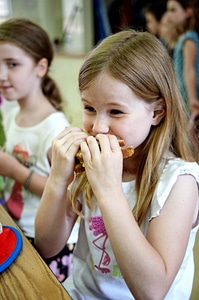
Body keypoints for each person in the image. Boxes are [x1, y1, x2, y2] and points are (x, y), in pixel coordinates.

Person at [35, 29, 199, 299]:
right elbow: (46, 246)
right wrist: (57, 179)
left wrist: (109, 190)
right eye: (89, 108)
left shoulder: (179, 182)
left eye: (116, 111)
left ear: (156, 112)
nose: (98, 128)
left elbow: (152, 291)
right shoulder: (90, 164)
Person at [0, 18, 78, 282]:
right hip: (15, 225)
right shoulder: (10, 115)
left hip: (45, 240)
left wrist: (14, 170)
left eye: (12, 64)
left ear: (40, 67)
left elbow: (68, 194)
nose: (1, 75)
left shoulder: (55, 128)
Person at [167, 0, 199, 119]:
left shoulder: (189, 37)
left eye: (173, 10)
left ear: (187, 12)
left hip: (189, 95)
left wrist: (192, 99)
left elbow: (189, 69)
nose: (169, 14)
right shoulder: (183, 37)